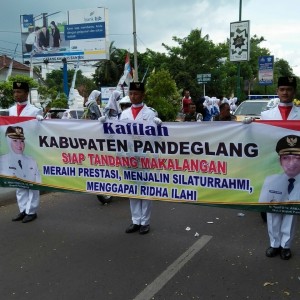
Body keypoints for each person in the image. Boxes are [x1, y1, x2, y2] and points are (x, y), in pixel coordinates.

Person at [259, 76, 300, 260]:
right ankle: (274, 244)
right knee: (273, 207)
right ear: (277, 91)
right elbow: (259, 139)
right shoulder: (267, 116)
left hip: (297, 167)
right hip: (274, 167)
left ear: (294, 92)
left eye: (289, 89)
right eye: (282, 89)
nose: (285, 92)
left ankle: (286, 245)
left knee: (291, 209)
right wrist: (248, 126)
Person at [119, 82, 161, 235]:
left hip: (145, 155)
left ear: (143, 95)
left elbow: (156, 138)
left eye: (136, 94)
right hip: (129, 155)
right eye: (131, 93)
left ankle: (145, 221)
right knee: (133, 188)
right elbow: (119, 135)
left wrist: (159, 127)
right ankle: (135, 220)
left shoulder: (150, 114)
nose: (133, 96)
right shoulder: (124, 114)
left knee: (145, 188)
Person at [259, 134, 300, 260]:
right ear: (280, 161)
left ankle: (285, 246)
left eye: (297, 158)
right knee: (273, 215)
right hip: (276, 195)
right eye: (286, 158)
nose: (291, 163)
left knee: (291, 217)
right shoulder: (270, 180)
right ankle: (274, 244)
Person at [8, 81, 43, 223]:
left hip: (30, 149)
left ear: (26, 94)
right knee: (19, 182)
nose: (16, 95)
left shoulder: (35, 111)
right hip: (15, 151)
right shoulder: (10, 110)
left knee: (31, 182)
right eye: (15, 92)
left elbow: (40, 132)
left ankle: (31, 211)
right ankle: (22, 209)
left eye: (20, 92)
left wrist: (41, 122)